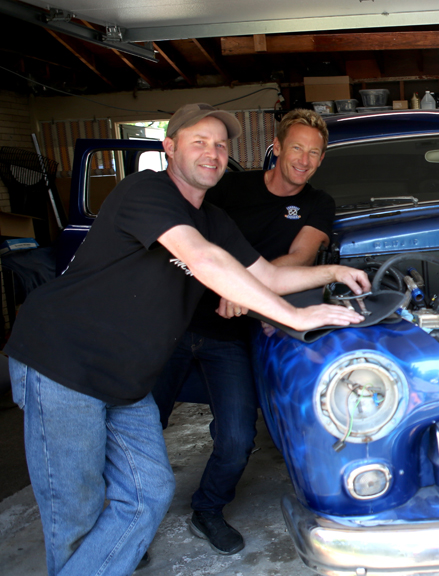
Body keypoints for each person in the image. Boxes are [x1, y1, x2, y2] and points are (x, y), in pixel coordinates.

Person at [4, 102, 369, 576]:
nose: (212, 153)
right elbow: (203, 260)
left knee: (150, 493)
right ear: (169, 147)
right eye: (199, 142)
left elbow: (267, 276)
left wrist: (335, 272)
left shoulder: (213, 220)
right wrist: (293, 316)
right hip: (64, 362)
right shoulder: (146, 190)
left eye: (220, 144)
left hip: (127, 376)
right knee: (76, 510)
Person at [150, 108, 335, 556]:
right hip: (173, 322)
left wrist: (245, 291)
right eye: (296, 148)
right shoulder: (228, 187)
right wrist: (231, 283)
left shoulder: (318, 203)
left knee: (236, 439)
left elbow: (301, 258)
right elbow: (188, 241)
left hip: (232, 333)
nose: (304, 160)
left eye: (314, 153)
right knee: (141, 426)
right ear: (277, 147)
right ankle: (128, 520)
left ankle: (208, 509)